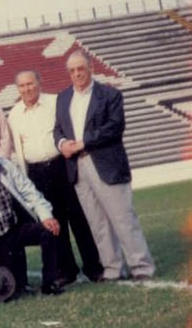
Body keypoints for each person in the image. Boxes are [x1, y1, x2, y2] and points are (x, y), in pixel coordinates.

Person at [54, 49, 155, 281]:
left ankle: (141, 267)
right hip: (77, 168)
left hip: (106, 165)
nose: (77, 74)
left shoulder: (110, 95)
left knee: (123, 218)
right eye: (72, 70)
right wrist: (62, 144)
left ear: (91, 68)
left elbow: (115, 126)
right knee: (97, 222)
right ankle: (112, 268)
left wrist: (83, 142)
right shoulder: (63, 98)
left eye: (81, 68)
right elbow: (58, 129)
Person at [8, 70, 103, 283]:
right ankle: (66, 270)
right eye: (22, 86)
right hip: (37, 173)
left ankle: (94, 266)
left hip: (62, 165)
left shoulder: (55, 102)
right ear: (18, 89)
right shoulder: (14, 114)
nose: (27, 89)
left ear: (39, 82)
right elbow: (19, 149)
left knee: (79, 219)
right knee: (53, 222)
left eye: (30, 83)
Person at [0, 135, 64, 296]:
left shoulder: (6, 166)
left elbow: (29, 191)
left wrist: (45, 216)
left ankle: (50, 284)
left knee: (48, 230)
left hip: (16, 229)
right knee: (8, 289)